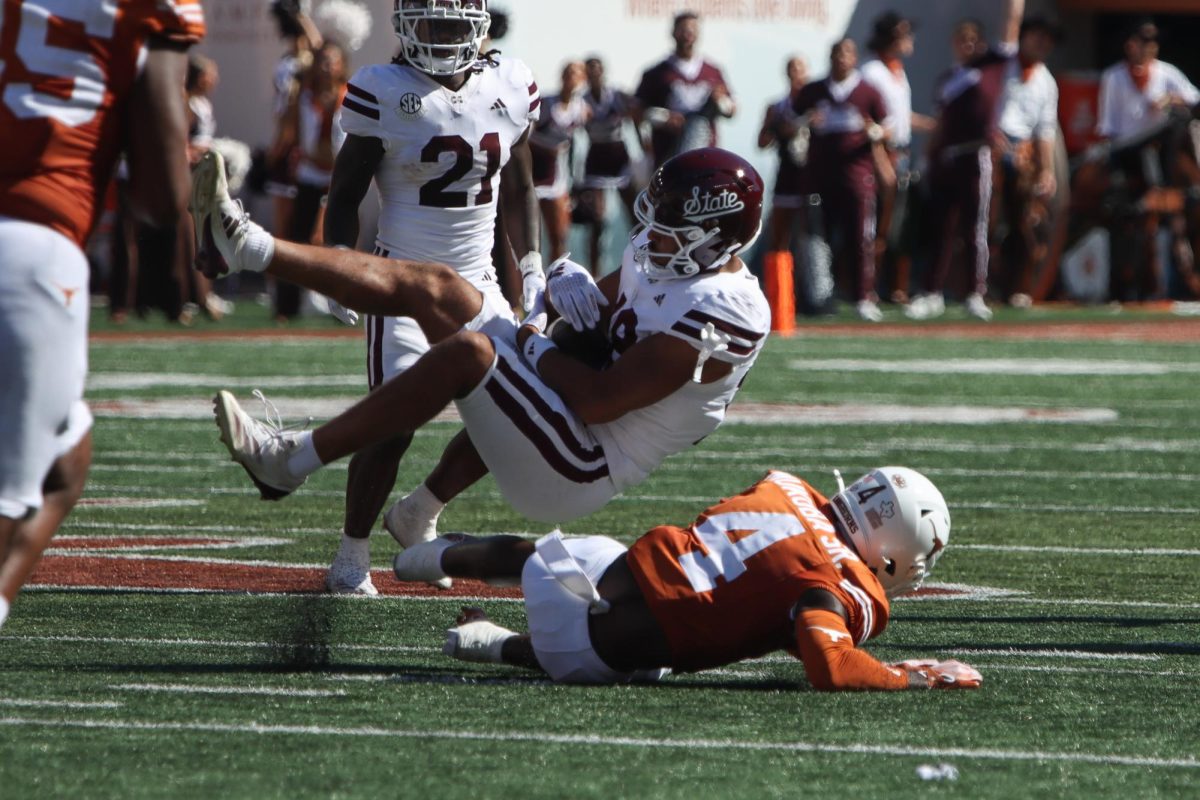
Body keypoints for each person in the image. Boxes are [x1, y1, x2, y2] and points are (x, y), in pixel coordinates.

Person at [190, 146, 769, 545]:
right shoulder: (665, 255)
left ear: (714, 238)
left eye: (670, 222)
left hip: (582, 465)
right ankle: (249, 247)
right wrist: (566, 283)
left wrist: (533, 343)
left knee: (474, 357)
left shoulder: (726, 312)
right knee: (440, 286)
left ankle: (289, 461)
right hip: (562, 414)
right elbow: (598, 315)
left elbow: (599, 399)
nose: (650, 231)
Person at [319, 0, 543, 595]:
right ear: (404, 30)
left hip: (480, 287)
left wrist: (533, 267)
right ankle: (352, 552)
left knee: (523, 418)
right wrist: (342, 265)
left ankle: (419, 510)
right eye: (429, 25)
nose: (441, 38)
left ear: (478, 30)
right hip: (404, 288)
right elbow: (343, 196)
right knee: (393, 422)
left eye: (451, 26)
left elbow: (521, 189)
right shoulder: (383, 89)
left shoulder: (510, 83)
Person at [396, 466, 980, 691]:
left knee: (552, 557)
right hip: (585, 655)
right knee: (649, 654)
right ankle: (498, 646)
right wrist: (911, 677)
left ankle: (431, 558)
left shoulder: (788, 489)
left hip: (586, 572)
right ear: (898, 553)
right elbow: (830, 666)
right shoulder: (836, 582)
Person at [0, 0, 205, 632]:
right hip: (30, 245)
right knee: (9, 500)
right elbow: (160, 199)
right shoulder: (146, 10)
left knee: (70, 454)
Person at [908, 0, 1025, 322]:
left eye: (974, 39)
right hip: (946, 159)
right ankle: (931, 293)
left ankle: (975, 294)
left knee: (975, 229)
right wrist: (927, 158)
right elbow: (941, 124)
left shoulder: (991, 66)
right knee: (939, 228)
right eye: (963, 39)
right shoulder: (946, 80)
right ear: (954, 44)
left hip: (976, 157)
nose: (969, 44)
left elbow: (1012, 24)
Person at [792, 39, 893, 322]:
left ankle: (863, 296)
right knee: (817, 238)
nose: (841, 59)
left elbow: (888, 127)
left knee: (861, 237)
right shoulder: (814, 90)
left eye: (847, 53)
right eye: (837, 53)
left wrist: (875, 132)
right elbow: (788, 121)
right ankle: (819, 296)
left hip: (857, 177)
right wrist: (804, 123)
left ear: (855, 58)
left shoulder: (867, 91)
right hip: (818, 177)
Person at [861, 11, 934, 305]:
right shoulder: (871, 72)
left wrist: (938, 126)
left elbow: (902, 118)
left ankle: (896, 288)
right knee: (878, 225)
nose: (910, 40)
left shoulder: (897, 72)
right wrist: (880, 158)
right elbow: (870, 123)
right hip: (881, 156)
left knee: (901, 225)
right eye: (904, 34)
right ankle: (868, 287)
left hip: (903, 154)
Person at [992, 15, 1061, 308]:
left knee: (1027, 222)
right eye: (1037, 36)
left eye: (1047, 38)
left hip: (1024, 152)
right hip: (993, 144)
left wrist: (1046, 170)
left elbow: (1045, 130)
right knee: (988, 217)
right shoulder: (1002, 64)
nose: (1042, 43)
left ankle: (1018, 286)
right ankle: (979, 284)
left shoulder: (1047, 82)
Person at [635, 11, 735, 170]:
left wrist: (720, 101)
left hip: (706, 158)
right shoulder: (656, 73)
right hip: (668, 157)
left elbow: (731, 111)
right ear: (673, 32)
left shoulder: (712, 72)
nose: (688, 33)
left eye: (693, 28)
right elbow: (638, 112)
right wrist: (664, 118)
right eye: (683, 28)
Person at [576, 56, 641, 272]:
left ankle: (643, 263)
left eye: (597, 69)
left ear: (604, 72)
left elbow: (638, 116)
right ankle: (594, 272)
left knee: (634, 214)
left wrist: (643, 147)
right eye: (590, 70)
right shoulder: (582, 100)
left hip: (619, 157)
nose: (594, 74)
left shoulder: (617, 95)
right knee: (597, 219)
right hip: (596, 157)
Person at [756, 56, 811, 314]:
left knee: (811, 236)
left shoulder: (816, 104)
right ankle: (779, 295)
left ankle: (811, 293)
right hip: (786, 176)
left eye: (801, 68)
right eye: (792, 69)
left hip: (811, 179)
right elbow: (762, 141)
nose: (797, 74)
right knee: (780, 236)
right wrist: (780, 129)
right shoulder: (777, 106)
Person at [529, 61, 590, 261]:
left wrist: (578, 182)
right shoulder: (546, 104)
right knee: (529, 236)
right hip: (533, 172)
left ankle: (556, 281)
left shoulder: (582, 110)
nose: (572, 78)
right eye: (568, 73)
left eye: (576, 74)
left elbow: (580, 145)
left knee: (559, 235)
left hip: (556, 175)